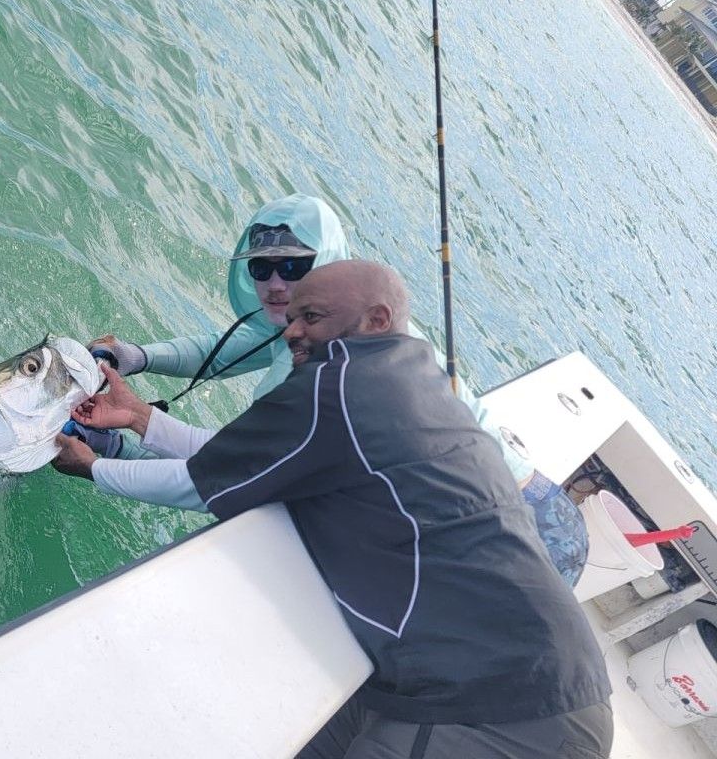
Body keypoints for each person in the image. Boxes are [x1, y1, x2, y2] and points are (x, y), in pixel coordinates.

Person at [53, 261, 612, 758]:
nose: (292, 329)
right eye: (292, 317)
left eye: (312, 316)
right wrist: (139, 419)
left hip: (501, 703)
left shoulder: (339, 383)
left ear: (375, 319)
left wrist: (94, 468)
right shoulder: (417, 381)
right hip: (504, 681)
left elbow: (203, 486)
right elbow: (254, 463)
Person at [79, 193, 587, 586]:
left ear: (328, 261)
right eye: (262, 267)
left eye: (295, 266)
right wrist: (140, 358)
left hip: (514, 534)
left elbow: (230, 478)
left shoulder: (335, 380)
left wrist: (98, 463)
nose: (276, 283)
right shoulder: (334, 324)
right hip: (525, 499)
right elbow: (244, 346)